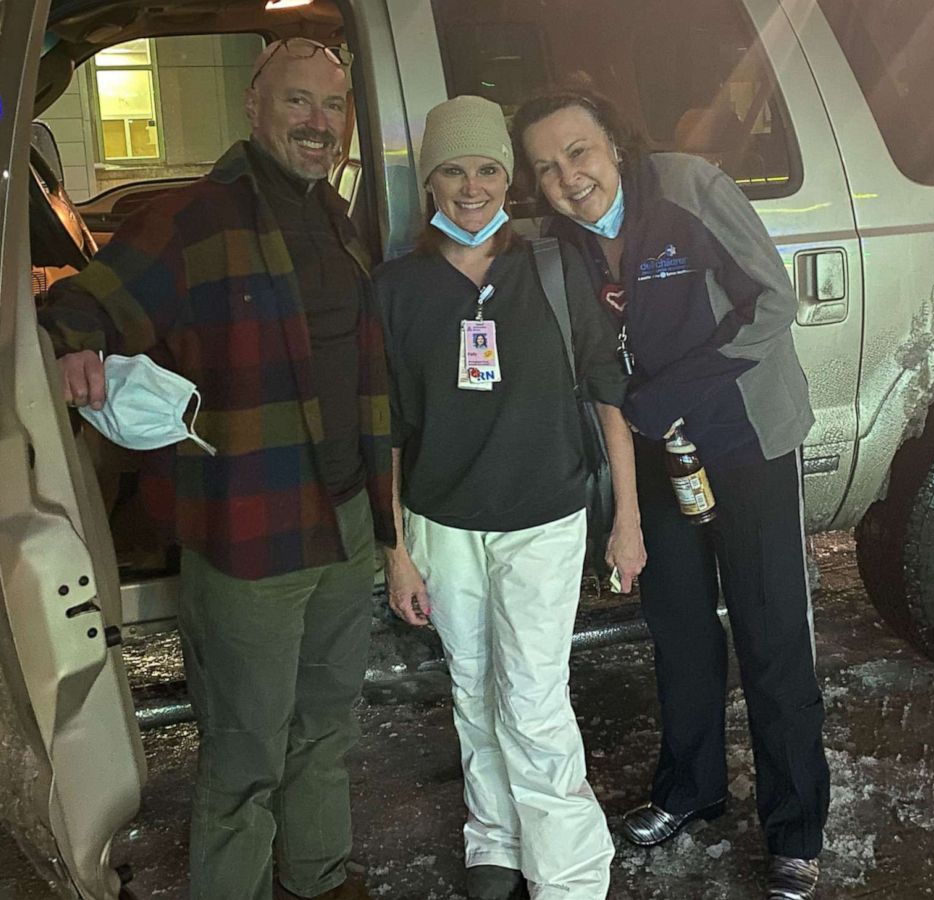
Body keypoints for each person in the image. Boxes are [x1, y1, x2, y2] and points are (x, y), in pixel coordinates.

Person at [42, 38, 388, 900]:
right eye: (299, 102)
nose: (319, 124)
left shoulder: (334, 217)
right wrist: (73, 339)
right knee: (244, 749)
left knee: (327, 726)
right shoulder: (195, 216)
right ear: (255, 107)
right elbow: (83, 300)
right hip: (249, 532)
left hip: (345, 518)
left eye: (334, 107)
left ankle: (317, 876)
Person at [513, 88, 830, 900]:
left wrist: (675, 388)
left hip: (747, 435)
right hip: (660, 456)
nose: (568, 177)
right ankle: (691, 786)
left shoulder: (685, 188)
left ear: (613, 141)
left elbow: (774, 303)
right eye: (546, 167)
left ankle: (795, 831)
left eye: (578, 151)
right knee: (680, 625)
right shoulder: (565, 249)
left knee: (770, 630)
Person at [374, 95, 644, 900]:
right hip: (442, 525)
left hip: (543, 521)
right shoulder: (397, 290)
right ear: (429, 181)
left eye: (488, 168)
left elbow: (609, 398)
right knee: (473, 687)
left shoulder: (554, 269)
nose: (471, 187)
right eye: (452, 169)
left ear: (509, 179)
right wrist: (394, 550)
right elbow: (385, 428)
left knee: (531, 701)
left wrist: (627, 521)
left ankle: (569, 876)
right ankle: (492, 836)